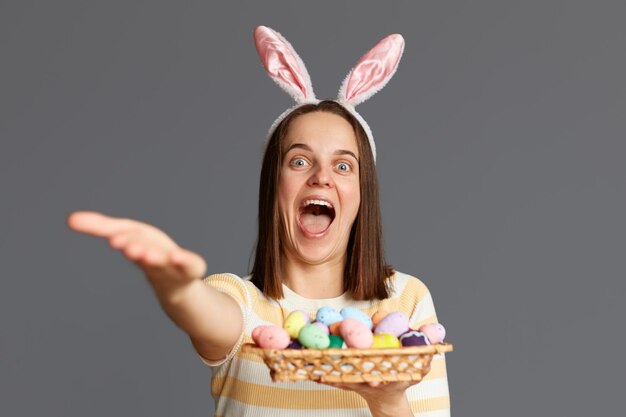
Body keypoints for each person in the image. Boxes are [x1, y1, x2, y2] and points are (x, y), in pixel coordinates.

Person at [67, 26, 450, 417]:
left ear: (362, 194)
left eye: (343, 165)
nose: (321, 177)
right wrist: (176, 288)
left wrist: (387, 401)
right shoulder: (244, 304)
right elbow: (206, 312)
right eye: (299, 161)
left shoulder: (404, 304)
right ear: (273, 187)